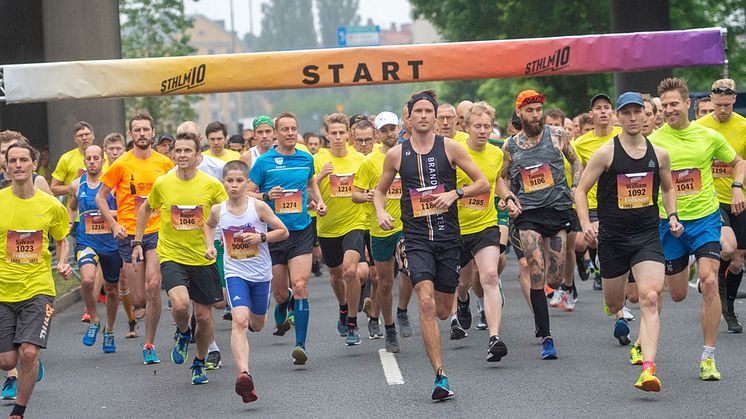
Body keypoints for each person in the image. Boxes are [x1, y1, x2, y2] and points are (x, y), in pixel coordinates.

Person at [374, 89, 489, 400]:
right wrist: (381, 211)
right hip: (416, 239)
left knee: (440, 310)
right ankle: (440, 376)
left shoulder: (450, 148)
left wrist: (456, 194)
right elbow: (379, 191)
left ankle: (451, 311)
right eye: (418, 112)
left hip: (449, 239)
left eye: (428, 111)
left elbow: (483, 182)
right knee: (424, 302)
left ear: (436, 118)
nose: (423, 116)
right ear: (408, 118)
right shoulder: (396, 154)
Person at [576, 92, 681, 392]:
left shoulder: (659, 154)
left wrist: (672, 215)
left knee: (649, 298)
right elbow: (581, 190)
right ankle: (614, 307)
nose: (634, 118)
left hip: (647, 235)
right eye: (627, 113)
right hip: (612, 238)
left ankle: (648, 369)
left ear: (646, 115)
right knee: (614, 301)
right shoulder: (606, 153)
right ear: (618, 118)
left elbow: (669, 187)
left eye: (639, 112)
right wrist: (586, 224)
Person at [649, 77, 746, 381]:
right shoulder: (654, 141)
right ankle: (685, 265)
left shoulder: (707, 136)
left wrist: (737, 187)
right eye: (664, 105)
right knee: (677, 294)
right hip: (670, 222)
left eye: (674, 104)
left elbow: (738, 161)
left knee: (710, 282)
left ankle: (708, 357)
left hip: (705, 217)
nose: (668, 109)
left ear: (688, 104)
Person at [133, 132, 227, 385]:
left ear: (198, 156)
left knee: (206, 318)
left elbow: (228, 210)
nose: (182, 155)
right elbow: (145, 208)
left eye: (188, 151)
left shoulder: (211, 184)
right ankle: (183, 332)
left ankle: (198, 362)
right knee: (180, 304)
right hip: (172, 254)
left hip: (203, 257)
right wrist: (138, 241)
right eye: (179, 150)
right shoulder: (163, 183)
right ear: (173, 154)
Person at [502, 89, 581, 360]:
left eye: (538, 110)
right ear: (520, 113)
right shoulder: (510, 145)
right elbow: (502, 179)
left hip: (557, 210)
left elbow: (576, 161)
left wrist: (574, 186)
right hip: (529, 214)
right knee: (535, 268)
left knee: (554, 277)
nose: (535, 115)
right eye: (529, 111)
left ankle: (544, 310)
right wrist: (509, 198)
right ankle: (547, 337)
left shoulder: (557, 135)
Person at [204, 160, 289, 402]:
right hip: (235, 272)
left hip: (261, 274)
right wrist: (210, 246)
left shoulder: (258, 207)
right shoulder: (218, 210)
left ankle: (260, 317)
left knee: (257, 324)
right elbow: (209, 227)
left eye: (239, 181)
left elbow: (283, 231)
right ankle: (244, 374)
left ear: (246, 182)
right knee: (239, 320)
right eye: (229, 181)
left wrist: (260, 237)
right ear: (223, 182)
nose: (234, 185)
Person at [0, 142, 73, 419]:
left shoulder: (51, 206)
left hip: (38, 288)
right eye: (13, 161)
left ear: (34, 165)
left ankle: (18, 411)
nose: (18, 165)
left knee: (28, 353)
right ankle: (26, 360)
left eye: (23, 160)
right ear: (6, 167)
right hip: (3, 291)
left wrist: (63, 262)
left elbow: (61, 239)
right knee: (8, 360)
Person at [248, 112, 325, 365]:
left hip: (300, 231)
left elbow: (311, 184)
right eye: (285, 129)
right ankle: (284, 302)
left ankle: (300, 345)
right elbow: (248, 194)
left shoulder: (306, 158)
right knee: (280, 294)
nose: (290, 133)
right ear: (276, 133)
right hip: (273, 234)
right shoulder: (264, 162)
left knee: (302, 285)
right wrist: (268, 195)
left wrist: (319, 202)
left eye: (294, 128)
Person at [97, 112, 175, 365]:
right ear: (131, 134)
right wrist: (113, 223)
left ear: (153, 132)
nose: (142, 134)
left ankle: (149, 343)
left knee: (154, 287)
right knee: (139, 298)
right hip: (129, 234)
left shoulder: (165, 163)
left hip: (157, 232)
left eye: (146, 130)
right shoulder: (121, 164)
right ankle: (136, 311)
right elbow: (100, 197)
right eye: (137, 130)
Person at [451, 101, 516, 361]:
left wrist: (507, 197)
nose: (482, 131)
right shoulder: (454, 152)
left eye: (487, 126)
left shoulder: (496, 153)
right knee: (462, 282)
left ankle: (494, 337)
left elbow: (496, 180)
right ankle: (463, 301)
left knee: (489, 275)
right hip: (457, 227)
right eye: (477, 126)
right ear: (466, 127)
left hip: (485, 224)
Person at [352, 111, 407, 352]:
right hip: (379, 228)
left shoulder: (410, 154)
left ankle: (403, 311)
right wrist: (368, 196)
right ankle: (390, 327)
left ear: (399, 129)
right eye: (384, 130)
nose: (389, 134)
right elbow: (355, 194)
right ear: (377, 134)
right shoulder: (369, 162)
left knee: (410, 270)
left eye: (392, 129)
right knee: (383, 283)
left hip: (407, 226)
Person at [695, 79, 746, 333]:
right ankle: (712, 277)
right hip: (710, 199)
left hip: (739, 196)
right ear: (711, 101)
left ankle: (728, 305)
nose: (722, 110)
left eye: (727, 105)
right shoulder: (700, 127)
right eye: (718, 105)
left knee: (737, 259)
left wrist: (739, 187)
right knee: (728, 247)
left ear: (734, 99)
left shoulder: (743, 126)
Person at [315, 113, 368, 346]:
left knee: (350, 271)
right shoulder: (318, 159)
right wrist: (320, 177)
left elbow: (370, 186)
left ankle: (353, 322)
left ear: (349, 134)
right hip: (327, 227)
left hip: (354, 223)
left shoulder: (359, 160)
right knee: (336, 275)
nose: (337, 137)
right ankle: (344, 308)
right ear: (327, 135)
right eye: (333, 133)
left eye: (341, 133)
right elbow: (306, 187)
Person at [69, 145, 123, 354]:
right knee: (87, 280)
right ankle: (94, 319)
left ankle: (109, 330)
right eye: (88, 158)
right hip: (86, 241)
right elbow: (72, 206)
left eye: (96, 158)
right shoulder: (76, 184)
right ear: (84, 161)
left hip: (110, 243)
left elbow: (124, 209)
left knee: (111, 290)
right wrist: (71, 223)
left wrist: (109, 213)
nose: (92, 161)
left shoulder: (113, 184)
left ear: (103, 160)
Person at [573, 94, 623, 292]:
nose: (603, 111)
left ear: (612, 112)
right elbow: (577, 176)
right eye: (598, 108)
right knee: (597, 239)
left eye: (606, 107)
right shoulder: (580, 144)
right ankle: (601, 272)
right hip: (594, 202)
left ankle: (605, 274)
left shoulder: (623, 135)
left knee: (610, 243)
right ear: (591, 114)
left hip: (622, 201)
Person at [51, 121, 105, 197]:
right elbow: (53, 189)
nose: (84, 138)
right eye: (80, 135)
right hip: (76, 207)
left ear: (93, 135)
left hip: (103, 207)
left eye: (87, 134)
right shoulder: (66, 158)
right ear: (75, 139)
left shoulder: (105, 157)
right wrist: (74, 187)